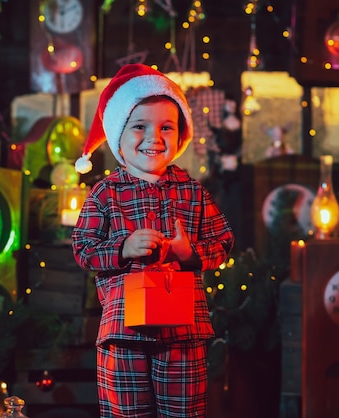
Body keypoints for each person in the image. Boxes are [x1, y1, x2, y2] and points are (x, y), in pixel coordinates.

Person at [71, 63, 234, 417]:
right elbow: (82, 248)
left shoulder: (192, 192)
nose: (154, 138)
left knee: (184, 411)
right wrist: (123, 249)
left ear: (181, 135)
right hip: (123, 331)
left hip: (183, 332)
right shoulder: (105, 193)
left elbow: (223, 242)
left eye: (166, 127)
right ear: (119, 133)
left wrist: (190, 253)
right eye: (140, 127)